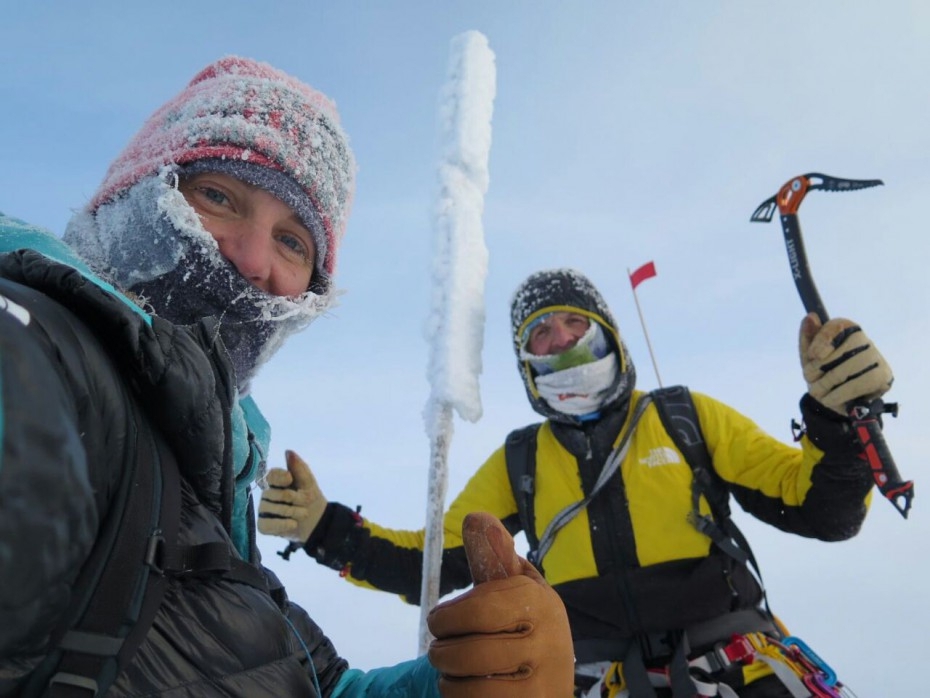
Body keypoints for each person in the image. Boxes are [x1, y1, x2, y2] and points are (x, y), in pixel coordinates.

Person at [0, 56, 574, 697]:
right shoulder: (40, 349)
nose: (251, 259)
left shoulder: (210, 483)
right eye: (218, 196)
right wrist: (328, 527)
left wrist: (460, 687)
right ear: (131, 193)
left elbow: (307, 683)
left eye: (293, 241)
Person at [259, 267, 894, 697]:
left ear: (608, 335)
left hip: (735, 662)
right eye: (540, 332)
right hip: (589, 676)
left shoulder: (683, 417)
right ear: (527, 364)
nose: (559, 341)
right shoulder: (521, 460)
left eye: (574, 325)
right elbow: (433, 564)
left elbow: (821, 510)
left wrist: (837, 421)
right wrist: (325, 528)